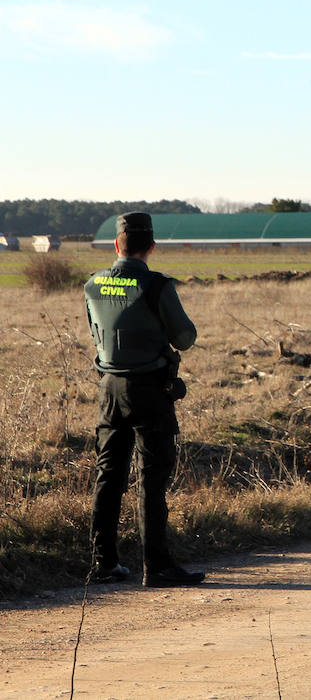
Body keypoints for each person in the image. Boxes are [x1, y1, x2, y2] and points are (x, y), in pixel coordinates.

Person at [85, 212, 205, 586]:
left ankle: (103, 563)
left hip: (109, 388)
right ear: (151, 247)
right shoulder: (157, 287)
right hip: (149, 390)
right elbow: (184, 337)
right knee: (151, 478)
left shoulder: (93, 285)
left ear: (116, 245)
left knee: (109, 474)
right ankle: (157, 566)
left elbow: (95, 333)